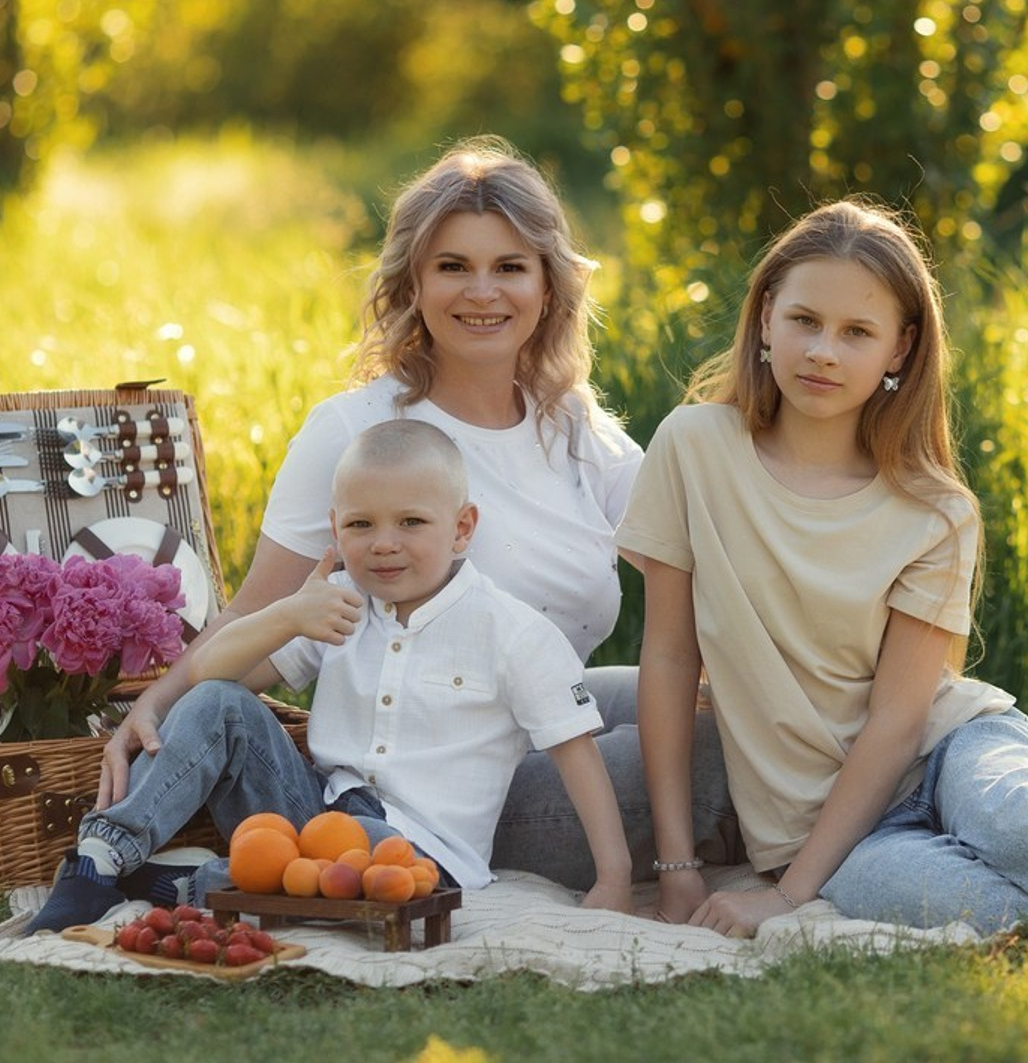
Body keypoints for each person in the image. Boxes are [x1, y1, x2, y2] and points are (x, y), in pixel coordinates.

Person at [618, 198, 1028, 938]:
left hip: (949, 749)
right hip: (841, 834)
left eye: (857, 332)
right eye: (805, 320)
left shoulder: (934, 510)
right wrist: (679, 867)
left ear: (899, 350)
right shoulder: (692, 446)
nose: (823, 351)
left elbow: (901, 722)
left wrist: (784, 897)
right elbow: (672, 656)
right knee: (975, 908)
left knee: (1018, 830)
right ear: (767, 316)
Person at [98, 136, 736, 891]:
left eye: (509, 267)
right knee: (708, 757)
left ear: (548, 286)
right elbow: (261, 618)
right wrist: (152, 709)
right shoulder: (353, 432)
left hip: (534, 718)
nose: (482, 293)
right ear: (413, 283)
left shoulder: (574, 430)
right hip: (438, 781)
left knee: (729, 713)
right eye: (453, 267)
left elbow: (703, 558)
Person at [27, 420, 632, 933]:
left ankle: (187, 885)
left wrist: (615, 878)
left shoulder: (511, 633)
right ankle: (101, 860)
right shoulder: (337, 603)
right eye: (361, 525)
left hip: (413, 853)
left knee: (351, 853)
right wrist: (285, 616)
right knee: (219, 701)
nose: (384, 545)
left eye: (412, 523)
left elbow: (576, 754)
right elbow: (211, 675)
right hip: (313, 807)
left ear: (463, 528)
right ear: (336, 528)